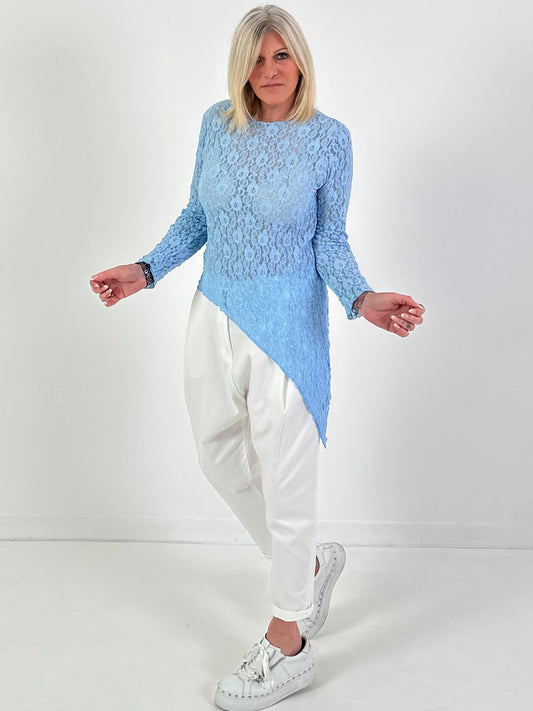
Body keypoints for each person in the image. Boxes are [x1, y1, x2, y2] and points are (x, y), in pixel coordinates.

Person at [89, 5, 425, 709]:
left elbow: (329, 240)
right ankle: (306, 567)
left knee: (286, 478)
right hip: (213, 310)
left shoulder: (328, 139)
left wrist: (361, 298)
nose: (268, 70)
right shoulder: (217, 123)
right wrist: (145, 270)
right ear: (238, 66)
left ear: (300, 61)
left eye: (280, 56)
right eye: (255, 57)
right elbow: (198, 216)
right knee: (217, 457)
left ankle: (287, 641)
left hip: (288, 327)